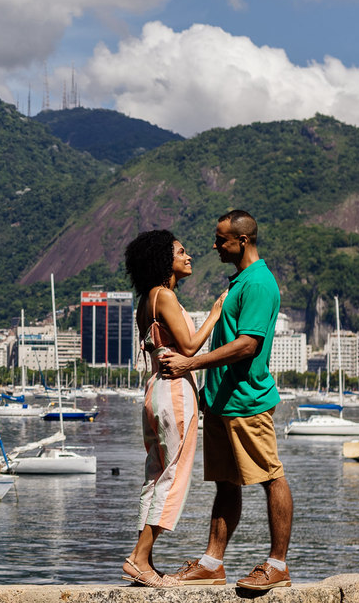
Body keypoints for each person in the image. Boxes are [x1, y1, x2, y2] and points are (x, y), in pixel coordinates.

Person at [161, 210, 294, 591]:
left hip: (247, 401)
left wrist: (192, 362)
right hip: (221, 403)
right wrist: (207, 391)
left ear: (244, 241)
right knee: (225, 483)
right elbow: (229, 339)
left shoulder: (258, 284)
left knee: (271, 477)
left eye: (222, 240)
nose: (215, 245)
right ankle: (211, 562)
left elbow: (247, 345)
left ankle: (277, 565)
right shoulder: (239, 283)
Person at [120, 229, 227, 588]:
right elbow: (190, 346)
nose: (189, 256)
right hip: (176, 392)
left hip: (154, 391)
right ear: (164, 260)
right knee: (173, 476)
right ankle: (138, 558)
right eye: (181, 252)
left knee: (155, 474)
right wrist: (215, 313)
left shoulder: (145, 300)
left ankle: (144, 562)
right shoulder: (164, 296)